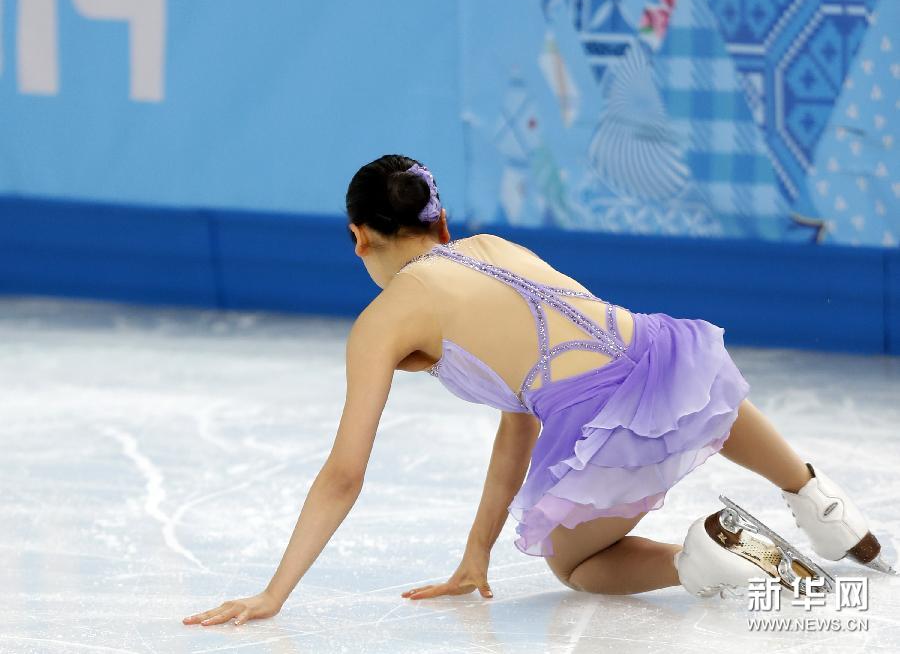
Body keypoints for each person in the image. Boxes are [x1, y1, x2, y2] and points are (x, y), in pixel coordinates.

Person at [183, 154, 894, 627]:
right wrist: (476, 552)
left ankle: (701, 557)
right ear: (443, 221)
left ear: (358, 238)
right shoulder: (492, 247)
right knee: (677, 371)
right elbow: (520, 416)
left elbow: (345, 473)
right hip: (668, 357)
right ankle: (819, 500)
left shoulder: (385, 318)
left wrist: (274, 593)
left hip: (605, 421)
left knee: (576, 565)